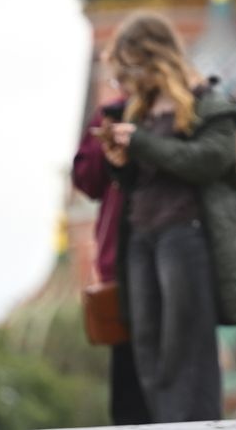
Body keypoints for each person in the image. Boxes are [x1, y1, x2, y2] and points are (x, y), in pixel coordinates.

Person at [98, 11, 236, 422]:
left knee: (185, 343)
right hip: (142, 235)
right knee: (147, 344)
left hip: (185, 234)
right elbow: (137, 178)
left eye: (127, 72)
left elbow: (208, 161)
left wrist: (143, 144)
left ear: (151, 59)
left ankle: (192, 423)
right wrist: (119, 160)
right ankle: (162, 422)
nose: (124, 84)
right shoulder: (137, 111)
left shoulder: (205, 103)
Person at [72, 95, 152, 426]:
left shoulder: (178, 104)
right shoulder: (110, 111)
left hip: (166, 255)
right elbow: (86, 179)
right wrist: (105, 133)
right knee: (129, 384)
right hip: (123, 264)